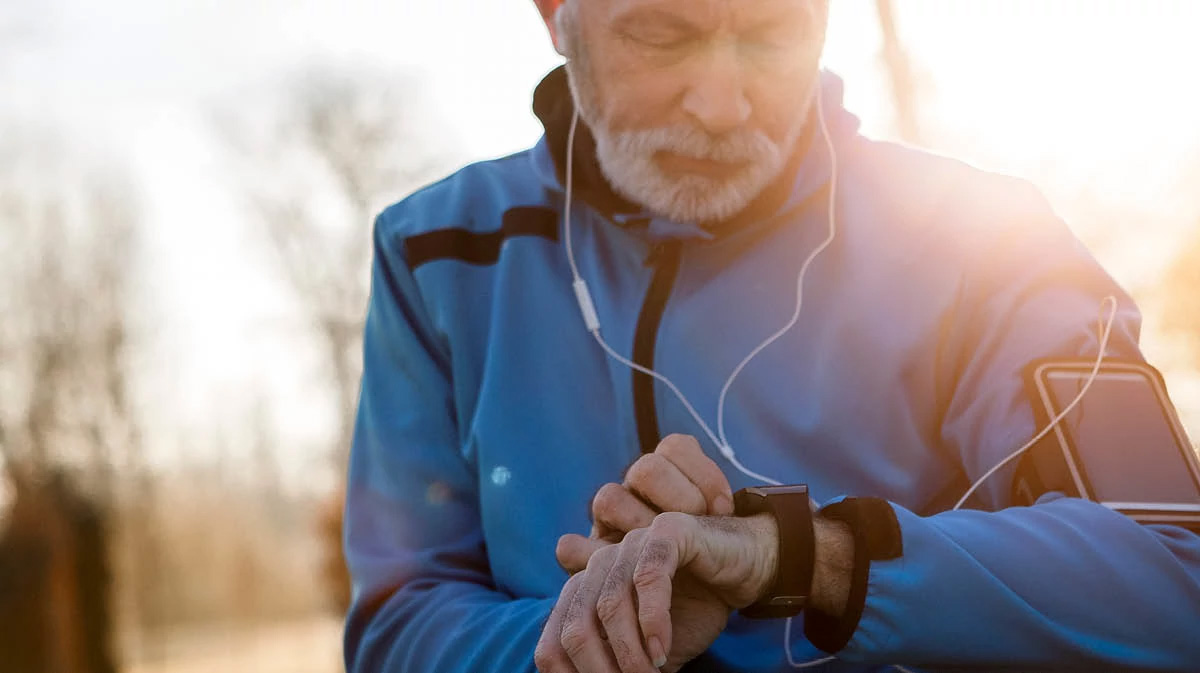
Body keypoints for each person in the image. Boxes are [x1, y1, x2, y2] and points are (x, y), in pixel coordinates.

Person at [342, 1, 1200, 671]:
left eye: (773, 33)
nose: (722, 106)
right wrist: (603, 629)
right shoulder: (435, 255)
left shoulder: (988, 239)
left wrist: (804, 558)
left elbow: (1176, 575)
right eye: (663, 34)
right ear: (555, 16)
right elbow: (397, 621)